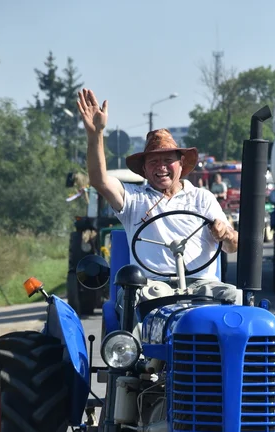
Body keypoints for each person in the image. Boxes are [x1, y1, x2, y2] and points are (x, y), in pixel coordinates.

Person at [76, 88, 238, 303]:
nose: (161, 167)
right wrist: (95, 134)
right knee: (138, 297)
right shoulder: (134, 198)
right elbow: (99, 180)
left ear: (181, 164)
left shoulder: (203, 198)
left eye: (167, 160)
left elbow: (232, 245)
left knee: (235, 297)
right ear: (144, 169)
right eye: (153, 161)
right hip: (153, 286)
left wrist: (225, 233)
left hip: (201, 285)